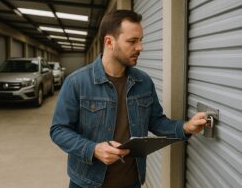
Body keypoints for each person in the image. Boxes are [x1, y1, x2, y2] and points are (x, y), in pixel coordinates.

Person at [50, 10, 207, 188]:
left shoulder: (143, 81)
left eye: (140, 40)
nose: (140, 47)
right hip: (86, 182)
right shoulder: (77, 82)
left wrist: (186, 127)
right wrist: (93, 149)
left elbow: (156, 122)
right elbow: (59, 130)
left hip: (132, 182)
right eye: (132, 41)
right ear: (109, 42)